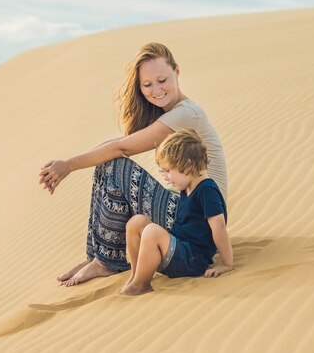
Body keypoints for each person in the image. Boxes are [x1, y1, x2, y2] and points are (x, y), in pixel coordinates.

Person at [38, 42, 228, 287]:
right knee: (106, 163)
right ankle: (98, 256)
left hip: (203, 217)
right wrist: (68, 162)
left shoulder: (186, 113)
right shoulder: (168, 113)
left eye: (162, 80)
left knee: (115, 165)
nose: (156, 90)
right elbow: (119, 142)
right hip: (186, 208)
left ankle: (107, 262)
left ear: (177, 73)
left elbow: (123, 148)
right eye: (147, 84)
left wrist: (68, 166)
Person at [118, 128, 233, 296]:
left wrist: (226, 263)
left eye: (168, 171)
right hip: (179, 249)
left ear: (187, 166)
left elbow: (219, 227)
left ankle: (141, 285)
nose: (165, 177)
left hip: (193, 259)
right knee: (136, 222)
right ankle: (136, 275)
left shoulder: (207, 190)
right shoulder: (187, 186)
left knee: (151, 231)